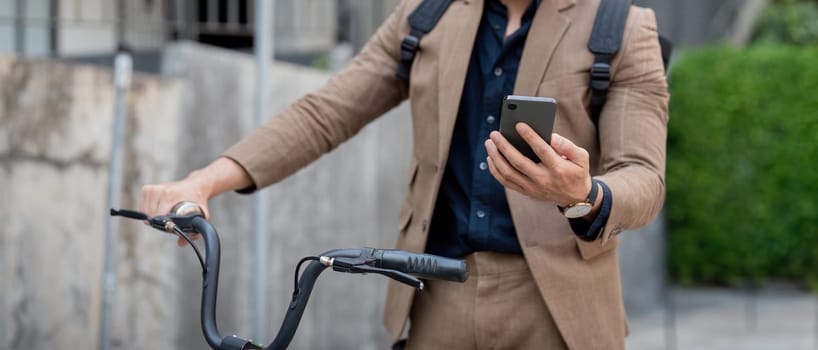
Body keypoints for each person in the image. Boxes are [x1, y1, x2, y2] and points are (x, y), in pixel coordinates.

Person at [139, 0, 668, 348]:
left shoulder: (619, 26)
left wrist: (584, 194)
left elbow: (642, 176)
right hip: (436, 292)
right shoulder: (427, 15)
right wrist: (204, 182)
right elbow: (326, 112)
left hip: (557, 307)